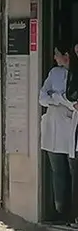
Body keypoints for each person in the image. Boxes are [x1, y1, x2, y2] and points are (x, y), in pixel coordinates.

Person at [40, 43, 77, 221]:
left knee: (72, 172)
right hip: (52, 130)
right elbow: (42, 97)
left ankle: (72, 212)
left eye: (57, 54)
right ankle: (59, 209)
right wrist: (59, 98)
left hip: (70, 130)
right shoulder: (54, 73)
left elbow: (74, 103)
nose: (55, 58)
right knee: (57, 171)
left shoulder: (74, 74)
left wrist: (59, 98)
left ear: (66, 55)